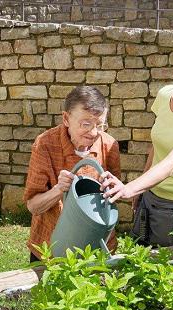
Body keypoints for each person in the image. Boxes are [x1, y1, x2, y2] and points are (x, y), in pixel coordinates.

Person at [100, 31, 173, 247]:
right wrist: (143, 188)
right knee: (142, 261)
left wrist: (130, 188)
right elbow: (157, 146)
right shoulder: (165, 95)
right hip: (152, 197)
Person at [23, 86, 121, 261]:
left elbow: (114, 199)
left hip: (95, 246)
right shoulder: (45, 145)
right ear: (66, 118)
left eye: (100, 125)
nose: (94, 132)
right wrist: (59, 189)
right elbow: (33, 206)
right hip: (52, 248)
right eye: (86, 124)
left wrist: (113, 190)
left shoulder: (109, 145)